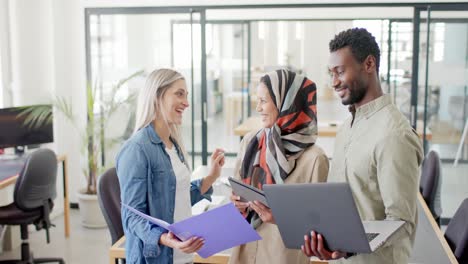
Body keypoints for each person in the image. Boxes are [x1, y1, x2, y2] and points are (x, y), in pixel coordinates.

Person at [301, 28, 424, 263]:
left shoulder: (394, 135)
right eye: (331, 73)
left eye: (340, 71)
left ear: (369, 64)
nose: (334, 82)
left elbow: (401, 222)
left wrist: (349, 248)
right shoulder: (347, 126)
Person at [116, 68, 225, 264]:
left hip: (183, 256)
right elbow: (131, 217)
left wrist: (211, 177)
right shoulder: (137, 149)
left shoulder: (173, 144)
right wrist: (166, 238)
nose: (187, 103)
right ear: (158, 96)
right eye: (179, 94)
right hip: (157, 258)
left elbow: (176, 198)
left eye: (187, 95)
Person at [229, 69, 330, 264]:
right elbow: (235, 196)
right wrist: (235, 202)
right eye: (257, 100)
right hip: (243, 253)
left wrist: (280, 217)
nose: (257, 108)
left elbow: (319, 231)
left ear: (287, 103)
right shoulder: (251, 141)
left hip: (281, 256)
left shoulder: (315, 160)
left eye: (264, 101)